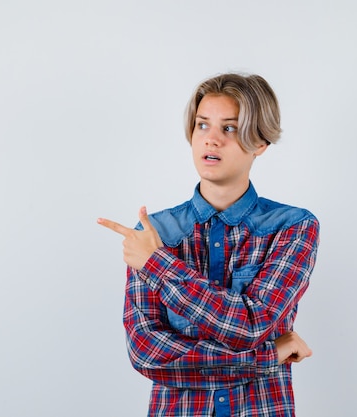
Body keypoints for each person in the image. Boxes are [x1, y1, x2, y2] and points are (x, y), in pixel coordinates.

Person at [97, 73, 319, 417]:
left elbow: (251, 324)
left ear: (260, 143)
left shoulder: (292, 226)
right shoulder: (153, 231)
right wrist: (264, 356)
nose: (211, 140)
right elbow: (147, 353)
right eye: (202, 125)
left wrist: (157, 264)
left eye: (229, 128)